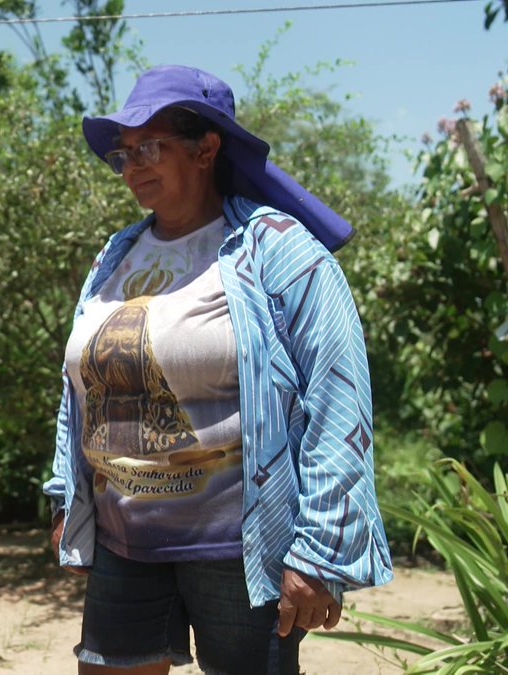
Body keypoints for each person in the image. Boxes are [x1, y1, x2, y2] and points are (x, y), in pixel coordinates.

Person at [42, 64, 393, 674]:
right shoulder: (115, 254)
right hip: (126, 542)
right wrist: (63, 496)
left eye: (150, 146)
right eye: (123, 153)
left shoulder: (278, 248)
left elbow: (339, 399)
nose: (132, 165)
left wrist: (319, 553)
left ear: (206, 148)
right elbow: (82, 385)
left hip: (240, 550)